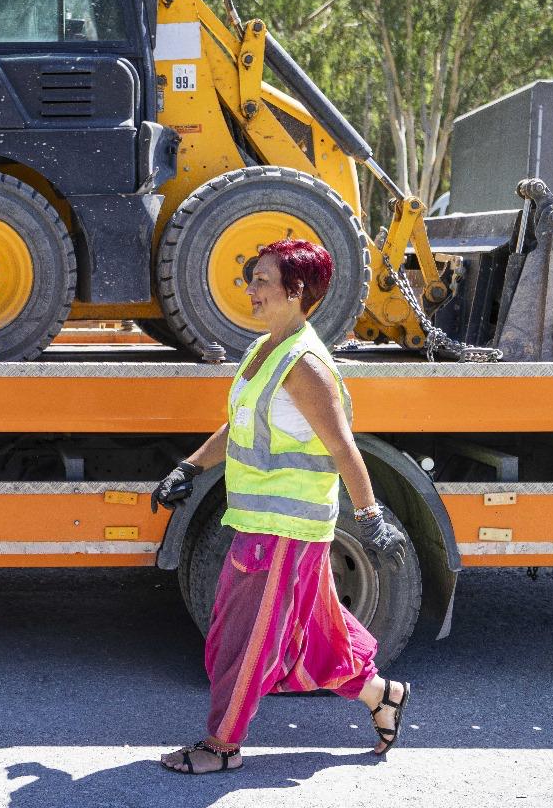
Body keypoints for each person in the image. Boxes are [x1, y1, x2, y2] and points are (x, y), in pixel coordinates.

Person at [151, 238, 412, 774]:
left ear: (296, 291)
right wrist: (189, 468)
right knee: (314, 633)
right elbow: (240, 424)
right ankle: (381, 694)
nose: (251, 288)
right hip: (262, 522)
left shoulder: (305, 364)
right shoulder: (265, 349)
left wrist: (371, 518)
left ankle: (222, 746)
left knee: (247, 638)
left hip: (287, 528)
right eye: (253, 278)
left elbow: (343, 446)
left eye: (262, 280)